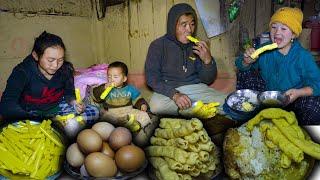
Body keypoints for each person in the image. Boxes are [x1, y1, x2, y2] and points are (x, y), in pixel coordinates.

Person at [235, 7, 320, 125]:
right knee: (245, 73)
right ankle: (249, 117)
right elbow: (240, 64)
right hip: (265, 99)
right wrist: (246, 61)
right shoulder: (264, 49)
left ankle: (297, 127)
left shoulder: (303, 56)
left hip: (292, 102)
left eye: (284, 28)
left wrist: (299, 92)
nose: (277, 32)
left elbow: (317, 84)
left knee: (315, 104)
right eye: (274, 27)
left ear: (293, 34)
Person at [145, 3, 227, 117]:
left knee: (227, 103)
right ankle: (198, 109)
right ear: (173, 25)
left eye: (192, 24)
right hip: (169, 90)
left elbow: (208, 80)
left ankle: (190, 109)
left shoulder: (197, 46)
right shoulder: (157, 45)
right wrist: (175, 95)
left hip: (195, 88)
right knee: (156, 106)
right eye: (184, 25)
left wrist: (208, 61)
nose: (189, 30)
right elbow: (151, 78)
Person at [0, 31, 99, 126]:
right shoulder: (22, 72)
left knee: (94, 111)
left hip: (57, 108)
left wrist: (74, 103)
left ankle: (59, 126)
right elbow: (7, 104)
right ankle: (58, 126)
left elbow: (69, 94)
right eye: (50, 60)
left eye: (60, 60)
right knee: (14, 124)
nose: (55, 65)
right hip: (30, 112)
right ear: (36, 56)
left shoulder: (65, 70)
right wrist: (37, 120)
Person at [91, 61, 152, 131]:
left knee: (144, 116)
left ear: (124, 79)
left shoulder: (130, 89)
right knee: (104, 119)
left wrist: (142, 105)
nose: (112, 79)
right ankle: (121, 127)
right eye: (109, 76)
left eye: (115, 77)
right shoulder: (105, 87)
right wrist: (103, 88)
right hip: (112, 113)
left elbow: (138, 98)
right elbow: (95, 97)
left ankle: (136, 125)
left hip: (128, 111)